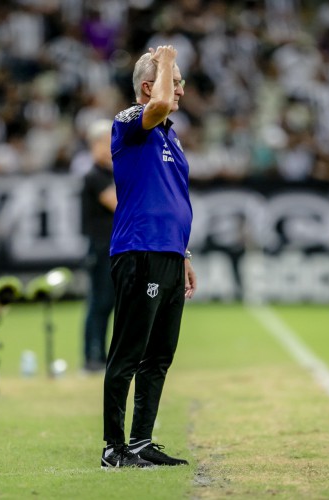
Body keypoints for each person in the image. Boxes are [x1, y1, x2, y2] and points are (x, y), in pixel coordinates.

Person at [101, 45, 197, 469]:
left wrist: (184, 254)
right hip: (138, 251)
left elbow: (171, 198)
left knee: (159, 356)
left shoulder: (169, 135)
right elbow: (158, 102)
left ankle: (140, 442)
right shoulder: (128, 120)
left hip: (169, 255)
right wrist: (167, 59)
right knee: (128, 352)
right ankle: (112, 448)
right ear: (148, 85)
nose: (181, 90)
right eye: (176, 82)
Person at [81, 119, 117, 373]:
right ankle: (92, 355)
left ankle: (101, 354)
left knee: (109, 302)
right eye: (107, 142)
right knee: (99, 301)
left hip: (113, 245)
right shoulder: (95, 175)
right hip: (101, 245)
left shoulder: (107, 174)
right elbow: (117, 202)